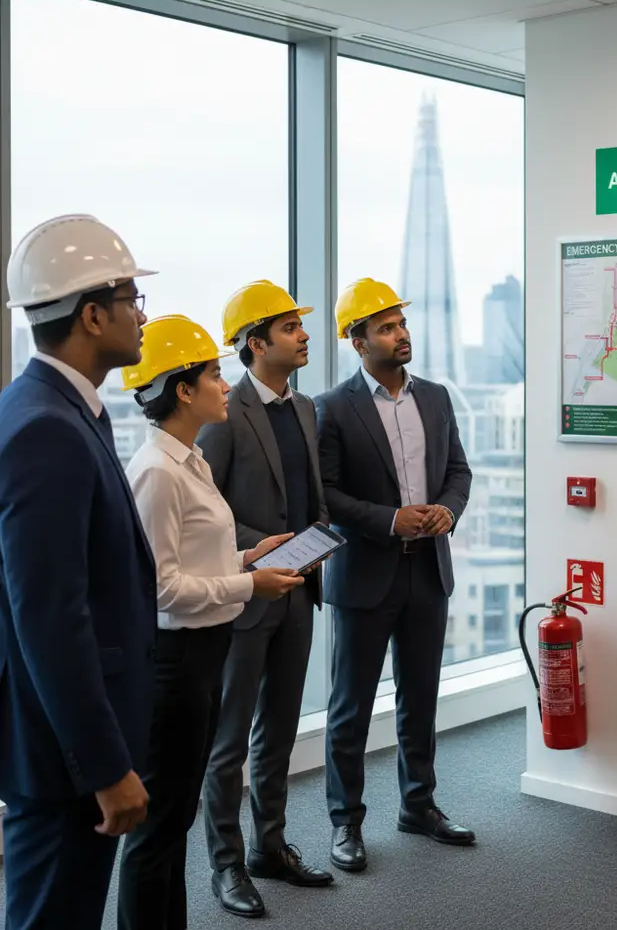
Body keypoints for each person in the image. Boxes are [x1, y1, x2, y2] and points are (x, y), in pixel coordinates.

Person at [115, 315, 306, 930]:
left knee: (174, 821)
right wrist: (250, 582)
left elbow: (193, 557)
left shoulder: (189, 461)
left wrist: (246, 555)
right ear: (182, 390)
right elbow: (162, 589)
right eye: (213, 374)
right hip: (175, 663)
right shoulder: (156, 472)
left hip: (203, 653)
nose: (226, 384)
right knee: (156, 831)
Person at [0, 215, 157, 930]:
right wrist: (103, 766)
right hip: (65, 762)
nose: (142, 316)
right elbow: (50, 619)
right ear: (92, 315)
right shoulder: (46, 427)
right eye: (132, 300)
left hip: (62, 747)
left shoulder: (56, 409)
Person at [315, 277, 474, 875]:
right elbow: (325, 495)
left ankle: (418, 805)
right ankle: (345, 823)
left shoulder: (434, 397)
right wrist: (390, 520)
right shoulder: (332, 407)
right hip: (365, 575)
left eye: (401, 324)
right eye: (385, 327)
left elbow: (458, 470)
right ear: (358, 341)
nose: (401, 334)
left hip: (428, 572)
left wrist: (446, 511)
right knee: (350, 707)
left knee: (420, 698)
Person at [199, 280, 333, 918]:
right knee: (229, 739)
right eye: (289, 328)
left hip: (300, 591)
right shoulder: (223, 414)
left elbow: (310, 499)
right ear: (256, 344)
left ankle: (267, 848)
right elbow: (209, 513)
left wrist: (317, 544)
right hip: (247, 594)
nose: (304, 335)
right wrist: (268, 547)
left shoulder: (304, 408)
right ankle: (225, 865)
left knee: (278, 729)